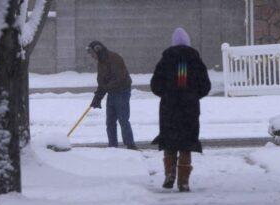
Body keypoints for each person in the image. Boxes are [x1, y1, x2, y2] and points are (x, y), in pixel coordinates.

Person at [150, 27, 211, 192]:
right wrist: (192, 94)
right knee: (186, 143)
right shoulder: (196, 61)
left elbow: (155, 85)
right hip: (189, 108)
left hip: (169, 108)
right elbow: (205, 86)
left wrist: (168, 93)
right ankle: (183, 181)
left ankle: (169, 174)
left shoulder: (165, 60)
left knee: (170, 141)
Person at [87, 41, 137, 149]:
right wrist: (97, 97)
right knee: (110, 121)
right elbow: (102, 81)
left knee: (123, 119)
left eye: (92, 54)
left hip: (122, 91)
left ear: (98, 50)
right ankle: (113, 146)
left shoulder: (115, 58)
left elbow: (119, 78)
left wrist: (105, 88)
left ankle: (130, 145)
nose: (92, 57)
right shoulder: (101, 62)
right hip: (112, 92)